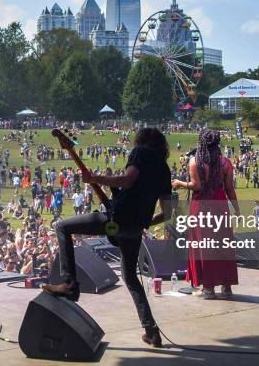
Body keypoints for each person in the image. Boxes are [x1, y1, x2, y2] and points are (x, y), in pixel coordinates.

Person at [42, 127, 173, 348]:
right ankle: (151, 331)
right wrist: (143, 223)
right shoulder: (164, 169)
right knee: (131, 278)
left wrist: (96, 177)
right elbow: (168, 212)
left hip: (117, 219)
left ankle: (69, 283)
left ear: (141, 141)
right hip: (133, 229)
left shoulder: (141, 153)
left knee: (62, 226)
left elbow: (128, 179)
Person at [172, 129, 240, 299]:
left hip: (201, 205)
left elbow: (197, 186)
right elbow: (229, 188)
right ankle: (226, 286)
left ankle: (208, 288)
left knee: (204, 245)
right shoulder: (225, 162)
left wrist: (180, 183)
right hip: (219, 203)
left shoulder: (195, 161)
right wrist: (237, 209)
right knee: (223, 244)